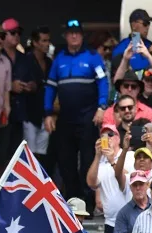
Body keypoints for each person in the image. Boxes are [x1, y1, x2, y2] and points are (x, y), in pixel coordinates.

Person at [43, 19, 109, 209]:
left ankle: (87, 204)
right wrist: (48, 113)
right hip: (65, 119)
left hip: (88, 118)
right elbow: (50, 88)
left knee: (88, 161)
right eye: (70, 33)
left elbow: (103, 83)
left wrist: (101, 106)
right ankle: (73, 203)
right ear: (66, 36)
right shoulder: (59, 59)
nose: (73, 36)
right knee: (66, 162)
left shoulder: (92, 56)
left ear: (81, 36)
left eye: (77, 33)